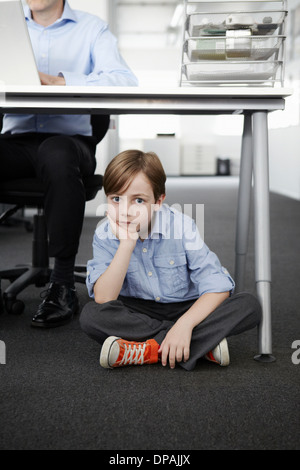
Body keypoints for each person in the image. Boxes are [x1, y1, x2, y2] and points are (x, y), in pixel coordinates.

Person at [0, 0, 138, 328]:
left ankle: (61, 285)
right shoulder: (6, 28)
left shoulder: (92, 29)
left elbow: (124, 82)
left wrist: (60, 81)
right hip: (15, 141)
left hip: (69, 143)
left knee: (57, 154)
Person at [80, 150, 261, 371]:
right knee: (91, 316)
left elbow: (218, 285)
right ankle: (198, 345)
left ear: (158, 201)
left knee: (249, 305)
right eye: (116, 199)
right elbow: (104, 297)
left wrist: (184, 324)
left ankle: (145, 349)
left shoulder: (182, 226)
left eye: (138, 200)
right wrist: (127, 244)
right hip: (139, 310)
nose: (125, 211)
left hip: (185, 307)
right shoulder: (105, 233)